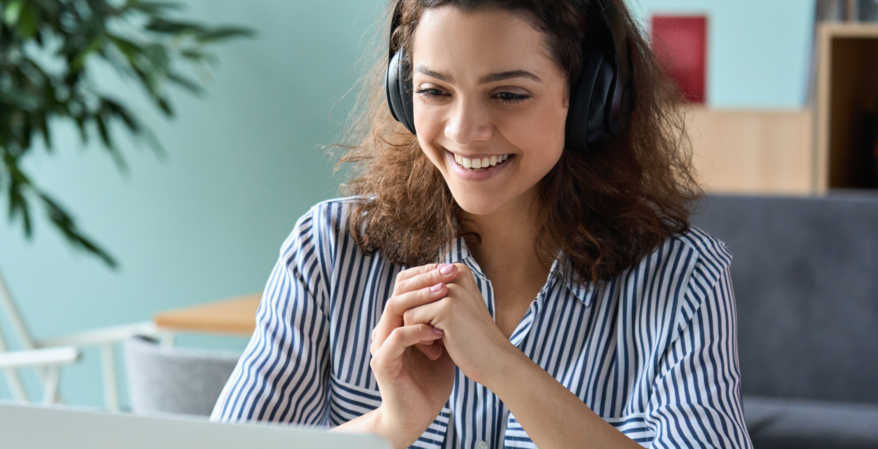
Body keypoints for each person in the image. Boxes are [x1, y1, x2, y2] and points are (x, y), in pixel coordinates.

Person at [211, 0, 753, 448]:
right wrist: (387, 426)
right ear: (403, 93)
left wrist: (504, 367)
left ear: (591, 99)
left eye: (509, 94)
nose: (465, 130)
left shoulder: (683, 277)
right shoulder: (327, 250)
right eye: (434, 91)